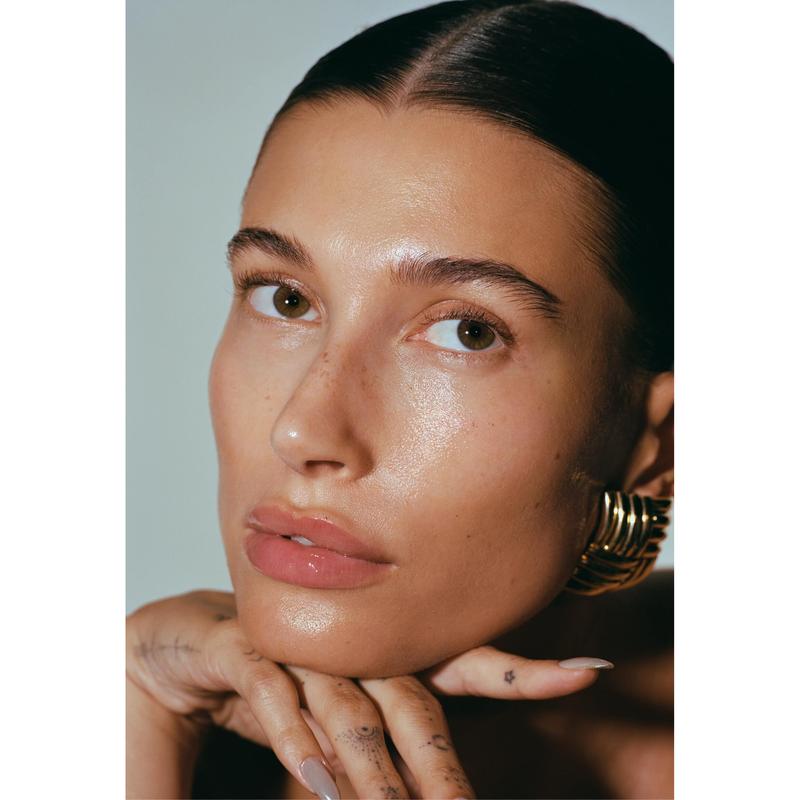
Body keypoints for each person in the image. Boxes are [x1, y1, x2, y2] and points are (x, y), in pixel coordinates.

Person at [126, 1, 674, 797]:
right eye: (285, 298)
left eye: (467, 332)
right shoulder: (148, 723)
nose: (303, 430)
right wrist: (137, 716)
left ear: (659, 444)